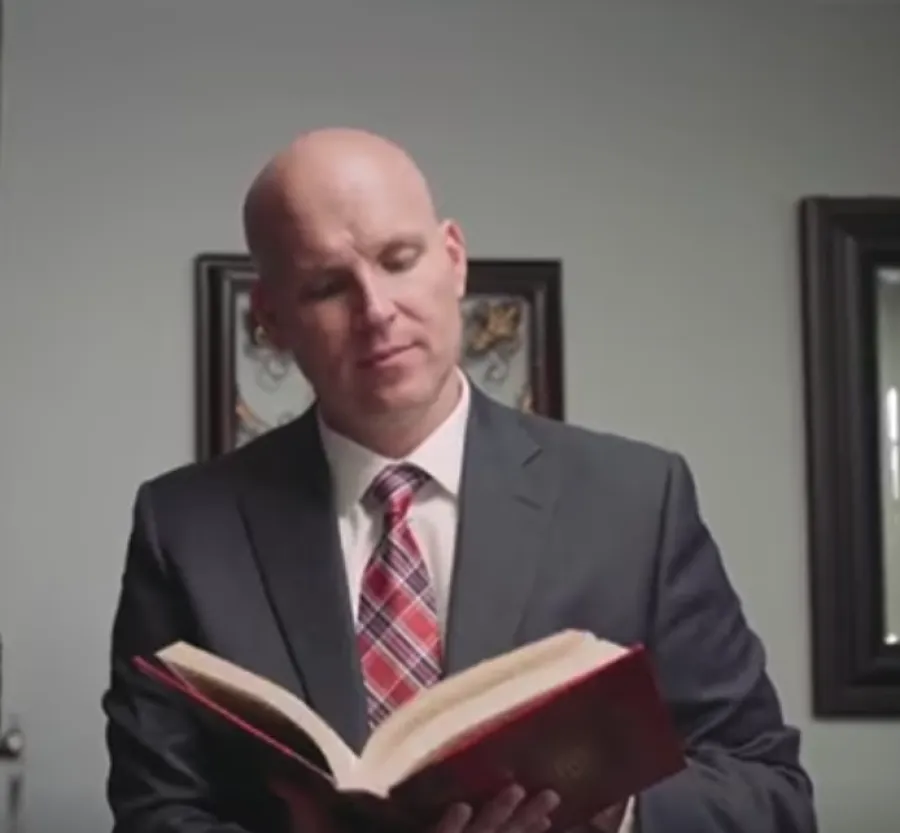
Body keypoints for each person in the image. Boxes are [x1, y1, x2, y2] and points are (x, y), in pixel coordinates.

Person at [102, 127, 817, 833]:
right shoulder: (185, 528)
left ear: (453, 258)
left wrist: (604, 813)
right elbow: (154, 811)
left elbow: (771, 793)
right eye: (326, 286)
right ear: (272, 319)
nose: (376, 310)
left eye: (399, 259)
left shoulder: (638, 500)